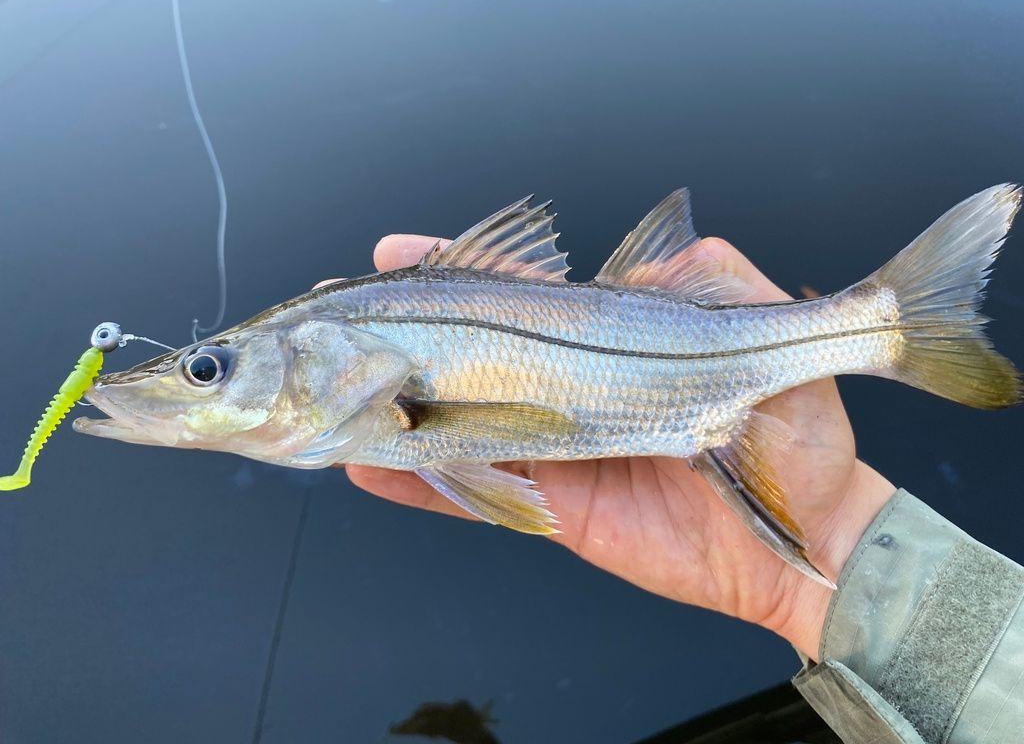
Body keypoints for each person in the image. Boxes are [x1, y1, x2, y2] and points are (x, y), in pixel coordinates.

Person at [328, 231, 1024, 744]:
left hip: (699, 411)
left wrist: (838, 530)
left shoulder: (389, 395)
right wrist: (835, 556)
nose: (212, 389)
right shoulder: (391, 411)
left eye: (211, 370)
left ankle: (883, 326)